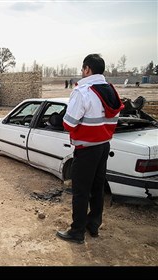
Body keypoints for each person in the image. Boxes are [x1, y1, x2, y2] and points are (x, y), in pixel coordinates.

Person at [56, 54, 124, 244]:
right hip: (103, 146)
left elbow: (69, 123)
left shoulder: (83, 91)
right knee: (97, 187)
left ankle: (76, 232)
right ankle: (93, 225)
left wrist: (60, 119)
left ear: (87, 69)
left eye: (82, 69)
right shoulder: (110, 90)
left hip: (86, 149)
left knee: (80, 191)